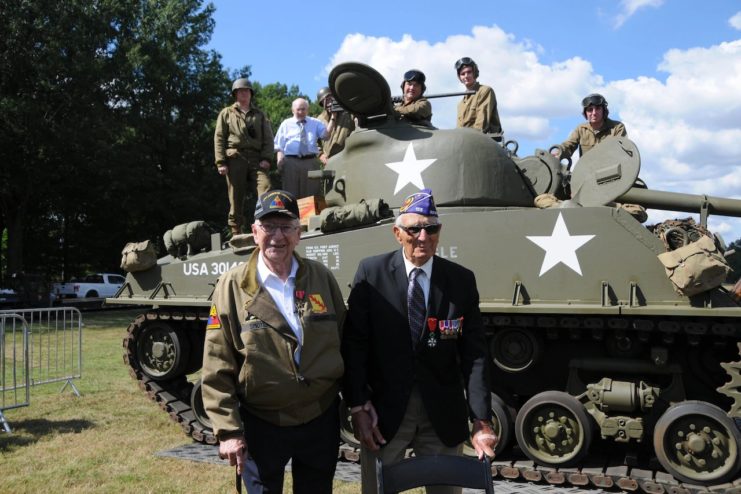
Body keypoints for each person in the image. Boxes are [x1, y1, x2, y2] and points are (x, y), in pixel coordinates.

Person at [341, 188, 497, 494]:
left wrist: (481, 419)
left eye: (431, 228)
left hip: (442, 413)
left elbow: (474, 355)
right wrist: (358, 406)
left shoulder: (461, 281)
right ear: (397, 233)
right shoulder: (371, 274)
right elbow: (354, 345)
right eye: (414, 229)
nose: (423, 237)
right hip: (382, 416)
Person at [201, 189, 346, 494]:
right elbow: (217, 363)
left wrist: (358, 402)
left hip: (319, 418)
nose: (277, 236)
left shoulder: (320, 278)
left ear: (299, 233)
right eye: (269, 227)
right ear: (255, 232)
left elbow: (345, 341)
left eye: (286, 227)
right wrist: (228, 430)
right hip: (262, 423)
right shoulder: (232, 287)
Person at [214, 78, 274, 236]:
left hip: (256, 158)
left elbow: (268, 139)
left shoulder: (260, 115)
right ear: (235, 94)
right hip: (235, 157)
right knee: (235, 196)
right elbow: (219, 137)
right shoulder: (226, 113)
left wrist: (267, 158)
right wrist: (221, 162)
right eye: (240, 91)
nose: (244, 93)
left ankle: (266, 224)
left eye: (246, 90)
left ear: (251, 93)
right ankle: (236, 231)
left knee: (265, 188)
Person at [274, 98, 336, 199]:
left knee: (311, 195)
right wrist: (279, 161)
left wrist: (333, 118)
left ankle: (309, 215)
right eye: (298, 109)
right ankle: (293, 215)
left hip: (310, 162)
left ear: (307, 110)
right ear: (292, 110)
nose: (301, 112)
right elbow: (279, 146)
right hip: (291, 163)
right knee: (290, 195)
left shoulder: (315, 122)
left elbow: (326, 136)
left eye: (303, 109)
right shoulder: (286, 124)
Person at [552, 93, 627, 160]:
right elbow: (569, 146)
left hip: (612, 171)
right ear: (585, 113)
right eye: (590, 110)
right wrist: (559, 152)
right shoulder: (581, 129)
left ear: (603, 111)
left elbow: (621, 150)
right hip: (588, 173)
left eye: (597, 109)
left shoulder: (617, 127)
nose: (594, 113)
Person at [454, 57, 503, 139]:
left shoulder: (485, 91)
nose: (466, 76)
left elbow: (481, 126)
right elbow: (459, 130)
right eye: (462, 74)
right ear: (460, 77)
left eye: (469, 72)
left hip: (483, 142)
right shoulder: (461, 104)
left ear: (474, 73)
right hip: (465, 142)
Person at [315, 87, 355, 166]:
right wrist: (320, 154)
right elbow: (313, 141)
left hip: (348, 158)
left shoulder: (349, 113)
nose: (327, 102)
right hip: (329, 161)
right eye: (323, 101)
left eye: (329, 98)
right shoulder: (319, 119)